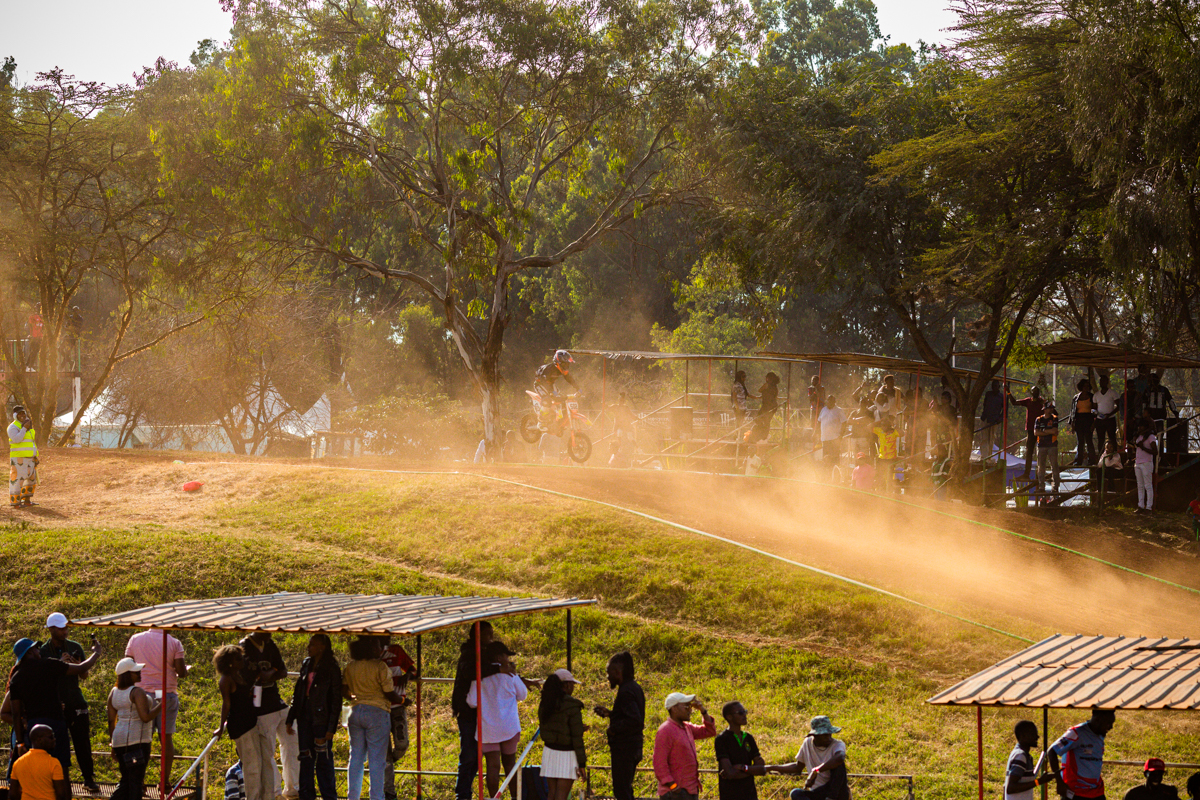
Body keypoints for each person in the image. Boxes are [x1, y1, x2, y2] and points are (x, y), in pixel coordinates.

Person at [9, 636, 101, 779]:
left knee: (38, 769)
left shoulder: (16, 678)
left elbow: (16, 713)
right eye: (35, 648)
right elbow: (82, 668)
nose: (38, 650)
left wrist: (20, 742)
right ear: (29, 653)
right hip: (55, 723)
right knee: (61, 767)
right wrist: (96, 653)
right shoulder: (48, 665)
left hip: (34, 728)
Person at [466, 641, 535, 800]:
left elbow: (471, 701)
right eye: (506, 655)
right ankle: (515, 797)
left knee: (493, 766)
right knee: (510, 764)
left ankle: (493, 798)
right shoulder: (510, 675)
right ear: (498, 656)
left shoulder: (479, 676)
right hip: (509, 727)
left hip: (488, 729)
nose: (509, 659)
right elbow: (523, 695)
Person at [40, 613, 100, 792]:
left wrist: (74, 664)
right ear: (51, 630)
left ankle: (88, 779)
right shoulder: (43, 651)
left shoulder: (75, 646)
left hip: (75, 700)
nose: (65, 631)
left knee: (82, 742)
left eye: (66, 627)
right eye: (61, 628)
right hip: (55, 704)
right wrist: (60, 664)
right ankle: (56, 780)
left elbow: (84, 674)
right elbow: (43, 678)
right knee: (55, 744)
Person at [124, 628, 188, 784]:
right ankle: (164, 781)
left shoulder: (135, 639)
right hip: (164, 692)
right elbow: (181, 671)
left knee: (142, 739)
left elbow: (127, 665)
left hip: (142, 693)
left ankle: (139, 782)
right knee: (166, 737)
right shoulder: (174, 642)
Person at [240, 631, 298, 799]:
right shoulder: (244, 648)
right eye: (266, 630)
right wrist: (264, 676)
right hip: (261, 710)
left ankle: (293, 789)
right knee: (268, 754)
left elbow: (283, 671)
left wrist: (269, 674)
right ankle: (275, 793)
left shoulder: (270, 644)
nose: (270, 632)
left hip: (278, 704)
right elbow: (248, 677)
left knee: (292, 743)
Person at [286, 635, 342, 800]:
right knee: (305, 758)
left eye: (312, 645)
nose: (308, 647)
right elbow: (298, 692)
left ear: (322, 647)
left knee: (323, 759)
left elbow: (336, 699)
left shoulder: (332, 667)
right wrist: (290, 718)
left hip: (321, 719)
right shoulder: (306, 663)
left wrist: (331, 728)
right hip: (304, 716)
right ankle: (306, 795)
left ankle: (328, 796)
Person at [214, 645, 272, 800]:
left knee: (258, 765)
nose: (243, 660)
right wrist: (220, 728)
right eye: (239, 658)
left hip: (250, 723)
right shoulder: (226, 679)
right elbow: (226, 704)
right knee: (251, 768)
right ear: (230, 662)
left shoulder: (238, 674)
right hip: (241, 727)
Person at [452, 622, 498, 800]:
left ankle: (465, 792)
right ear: (476, 636)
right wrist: (496, 668)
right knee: (470, 755)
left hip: (482, 711)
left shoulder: (483, 653)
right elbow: (471, 672)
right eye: (488, 635)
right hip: (468, 711)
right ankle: (462, 794)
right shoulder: (469, 654)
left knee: (475, 756)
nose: (491, 639)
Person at [107, 658, 161, 800]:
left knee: (127, 780)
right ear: (127, 674)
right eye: (135, 671)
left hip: (119, 741)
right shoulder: (137, 692)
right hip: (137, 741)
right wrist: (162, 705)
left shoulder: (113, 692)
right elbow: (145, 717)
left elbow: (111, 720)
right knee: (135, 781)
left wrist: (113, 744)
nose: (139, 673)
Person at [594, 651, 645, 800]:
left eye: (609, 673)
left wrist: (612, 729)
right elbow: (632, 715)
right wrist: (612, 714)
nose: (607, 677)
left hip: (625, 748)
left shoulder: (626, 691)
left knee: (622, 792)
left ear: (618, 672)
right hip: (633, 746)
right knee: (626, 790)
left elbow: (635, 720)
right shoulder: (634, 688)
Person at [765, 715, 848, 800]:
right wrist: (771, 767)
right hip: (818, 792)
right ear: (815, 735)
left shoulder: (837, 744)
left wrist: (816, 770)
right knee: (795, 793)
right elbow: (797, 767)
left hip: (835, 792)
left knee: (839, 766)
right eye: (824, 735)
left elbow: (840, 758)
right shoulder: (807, 743)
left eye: (829, 733)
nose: (828, 737)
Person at [652, 693, 715, 800]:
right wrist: (673, 786)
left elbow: (709, 731)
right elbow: (659, 763)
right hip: (676, 793)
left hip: (690, 789)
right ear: (674, 709)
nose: (690, 710)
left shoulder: (687, 727)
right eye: (686, 707)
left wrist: (703, 711)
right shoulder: (665, 730)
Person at [376, 636, 416, 800]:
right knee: (384, 757)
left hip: (398, 707)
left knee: (402, 743)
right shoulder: (371, 655)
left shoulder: (397, 651)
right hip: (380, 708)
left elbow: (414, 670)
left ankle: (389, 761)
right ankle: (389, 793)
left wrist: (408, 675)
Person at [539, 670, 586, 800]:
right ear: (566, 685)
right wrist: (582, 763)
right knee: (562, 795)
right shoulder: (572, 705)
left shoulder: (545, 703)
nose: (573, 688)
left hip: (549, 752)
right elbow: (577, 738)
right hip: (567, 754)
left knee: (552, 793)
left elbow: (553, 726)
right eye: (572, 684)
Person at [1048, 708, 1115, 800]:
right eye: (1108, 723)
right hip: (1075, 792)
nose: (1111, 727)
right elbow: (1052, 751)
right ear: (1097, 720)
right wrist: (1059, 782)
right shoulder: (1076, 733)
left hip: (1096, 792)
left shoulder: (1100, 735)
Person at [714, 702, 765, 800]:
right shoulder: (722, 739)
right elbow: (730, 773)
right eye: (740, 712)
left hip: (750, 795)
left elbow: (762, 769)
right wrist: (752, 770)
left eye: (745, 711)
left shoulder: (748, 737)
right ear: (729, 717)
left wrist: (742, 768)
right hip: (730, 795)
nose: (745, 715)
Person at [10, 724, 68, 800]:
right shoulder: (53, 763)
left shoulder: (18, 763)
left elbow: (13, 794)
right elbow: (61, 794)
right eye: (51, 737)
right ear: (39, 740)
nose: (54, 739)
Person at [1005, 720, 1058, 800]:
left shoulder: (1022, 755)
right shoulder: (1020, 756)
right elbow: (1011, 788)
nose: (1037, 737)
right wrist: (1039, 781)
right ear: (1023, 736)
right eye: (1033, 734)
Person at [534, 350, 581, 431]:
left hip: (550, 384)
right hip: (540, 384)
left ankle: (557, 420)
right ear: (558, 362)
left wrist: (578, 388)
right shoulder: (549, 369)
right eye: (564, 364)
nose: (566, 366)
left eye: (567, 364)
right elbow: (543, 381)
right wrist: (551, 392)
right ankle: (541, 422)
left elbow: (569, 378)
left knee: (562, 398)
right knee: (547, 400)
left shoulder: (561, 369)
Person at [1008, 386, 1044, 477]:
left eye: (1037, 391)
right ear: (1031, 393)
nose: (1035, 393)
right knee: (1029, 452)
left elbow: (1053, 411)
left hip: (1041, 430)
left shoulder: (1041, 401)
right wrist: (1008, 392)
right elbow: (1014, 402)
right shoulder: (1028, 401)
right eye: (1034, 391)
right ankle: (1027, 473)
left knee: (1041, 452)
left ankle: (1040, 474)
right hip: (1031, 430)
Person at [8, 405, 39, 508]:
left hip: (30, 458)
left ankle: (27, 500)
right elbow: (17, 440)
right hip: (18, 459)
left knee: (31, 480)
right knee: (17, 480)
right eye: (20, 414)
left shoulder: (28, 426)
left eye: (23, 413)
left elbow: (31, 442)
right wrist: (24, 429)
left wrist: (36, 456)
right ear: (15, 415)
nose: (22, 415)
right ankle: (15, 503)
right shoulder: (13, 427)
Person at [1144, 373, 1177, 449]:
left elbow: (1171, 401)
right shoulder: (1147, 390)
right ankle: (1153, 456)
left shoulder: (1163, 390)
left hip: (1160, 419)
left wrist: (1176, 413)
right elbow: (1144, 404)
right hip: (1150, 419)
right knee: (1150, 438)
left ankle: (1161, 457)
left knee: (1160, 438)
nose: (1153, 383)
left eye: (1154, 381)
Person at [1069, 378, 1097, 465]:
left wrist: (1094, 423)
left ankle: (1092, 460)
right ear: (1081, 386)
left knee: (1089, 441)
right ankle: (1078, 461)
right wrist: (1072, 424)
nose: (1086, 387)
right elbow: (1072, 411)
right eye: (1084, 386)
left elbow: (1095, 410)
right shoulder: (1076, 397)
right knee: (1080, 441)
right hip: (1079, 420)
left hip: (1088, 419)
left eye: (1088, 386)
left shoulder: (1092, 397)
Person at [1131, 419, 1158, 514]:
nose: (1139, 428)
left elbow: (1155, 452)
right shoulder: (1139, 436)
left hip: (1146, 463)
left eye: (1141, 426)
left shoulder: (1151, 437)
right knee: (1140, 485)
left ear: (1146, 427)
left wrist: (1143, 447)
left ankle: (1149, 507)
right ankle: (1141, 505)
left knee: (1148, 486)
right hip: (1138, 462)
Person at [1034, 402, 1061, 496]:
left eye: (1052, 408)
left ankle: (1055, 487)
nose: (1051, 410)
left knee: (1054, 466)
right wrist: (1048, 432)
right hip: (1041, 446)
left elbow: (1055, 431)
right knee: (1041, 467)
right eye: (1049, 408)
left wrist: (1043, 431)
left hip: (1052, 445)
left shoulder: (1054, 418)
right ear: (1045, 409)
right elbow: (1036, 433)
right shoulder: (1038, 419)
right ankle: (1041, 487)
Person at [817, 395, 846, 476]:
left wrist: (841, 435)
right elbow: (819, 421)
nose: (829, 402)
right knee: (826, 458)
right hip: (825, 439)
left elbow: (844, 422)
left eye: (831, 401)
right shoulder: (823, 410)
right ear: (827, 401)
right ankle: (827, 475)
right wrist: (815, 433)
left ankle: (836, 476)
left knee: (835, 458)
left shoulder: (839, 410)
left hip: (835, 439)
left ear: (834, 402)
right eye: (828, 400)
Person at [871, 417, 901, 494]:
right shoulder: (879, 430)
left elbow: (902, 433)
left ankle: (889, 492)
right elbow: (869, 426)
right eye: (882, 425)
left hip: (891, 458)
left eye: (884, 425)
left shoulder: (894, 432)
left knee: (889, 476)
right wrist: (879, 421)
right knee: (879, 475)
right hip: (881, 457)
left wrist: (894, 425)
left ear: (888, 426)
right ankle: (880, 491)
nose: (883, 427)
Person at [1093, 375, 1121, 456]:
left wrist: (1109, 414)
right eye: (1101, 381)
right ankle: (1101, 457)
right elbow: (1094, 409)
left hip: (1110, 419)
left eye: (1104, 381)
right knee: (1100, 439)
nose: (1102, 383)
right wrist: (1097, 415)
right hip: (1100, 420)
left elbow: (1119, 406)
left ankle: (1115, 455)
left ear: (1107, 382)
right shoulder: (1096, 395)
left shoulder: (1112, 393)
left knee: (1112, 438)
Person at [749, 373, 780, 444]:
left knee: (758, 419)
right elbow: (775, 397)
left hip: (767, 406)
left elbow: (759, 390)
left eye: (767, 378)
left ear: (769, 378)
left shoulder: (766, 385)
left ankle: (763, 435)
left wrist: (765, 393)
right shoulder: (775, 387)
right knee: (766, 421)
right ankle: (763, 435)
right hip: (773, 406)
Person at [979, 380, 1005, 462]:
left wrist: (1000, 418)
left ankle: (988, 457)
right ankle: (983, 457)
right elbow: (984, 405)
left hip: (995, 421)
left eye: (996, 386)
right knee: (984, 439)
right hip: (986, 419)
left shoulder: (1002, 397)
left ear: (999, 387)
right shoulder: (988, 394)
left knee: (991, 439)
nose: (994, 388)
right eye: (993, 386)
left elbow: (1005, 410)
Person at [25, 305, 44, 369]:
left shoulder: (43, 317)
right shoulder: (33, 316)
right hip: (34, 337)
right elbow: (29, 324)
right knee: (33, 351)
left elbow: (43, 327)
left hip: (39, 337)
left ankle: (28, 365)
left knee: (36, 351)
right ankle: (29, 365)